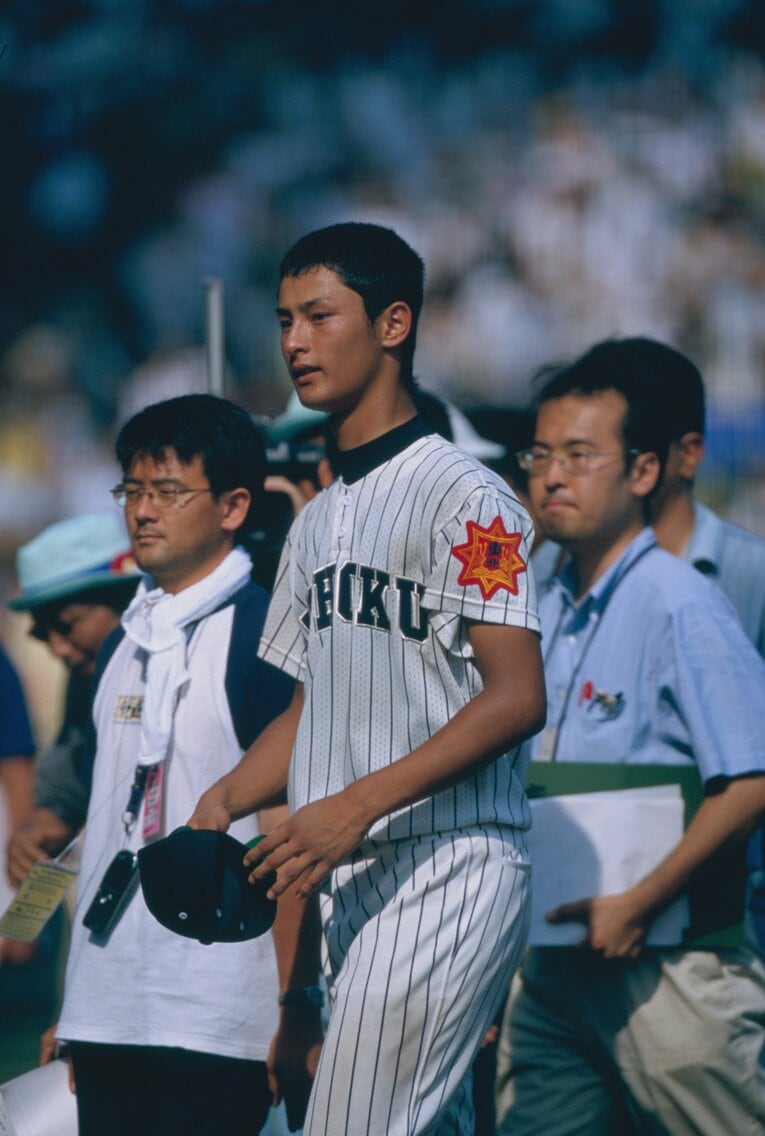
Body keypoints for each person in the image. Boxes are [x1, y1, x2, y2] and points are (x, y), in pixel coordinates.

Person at [190, 221, 546, 1136]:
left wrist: (351, 806)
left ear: (393, 324)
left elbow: (516, 698)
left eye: (319, 315)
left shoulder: (472, 496)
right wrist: (222, 798)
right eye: (283, 320)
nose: (294, 341)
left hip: (451, 868)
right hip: (353, 885)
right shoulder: (316, 521)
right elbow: (314, 712)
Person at [494, 344, 765, 1135]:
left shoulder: (681, 601)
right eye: (540, 454)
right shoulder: (543, 602)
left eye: (579, 456)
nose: (550, 477)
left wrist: (640, 903)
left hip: (669, 968)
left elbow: (750, 781)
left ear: (643, 473)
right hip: (550, 969)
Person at [55, 394, 319, 1136]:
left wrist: (294, 1006)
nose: (143, 511)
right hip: (109, 1014)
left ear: (234, 505)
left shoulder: (264, 635)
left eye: (168, 491)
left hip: (217, 1015)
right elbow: (107, 823)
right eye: (132, 490)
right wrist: (76, 1004)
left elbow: (287, 830)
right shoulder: (122, 640)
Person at [6, 512, 141, 887]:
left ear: (127, 598)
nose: (58, 648)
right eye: (42, 635)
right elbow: (66, 794)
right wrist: (35, 833)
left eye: (67, 626)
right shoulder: (85, 681)